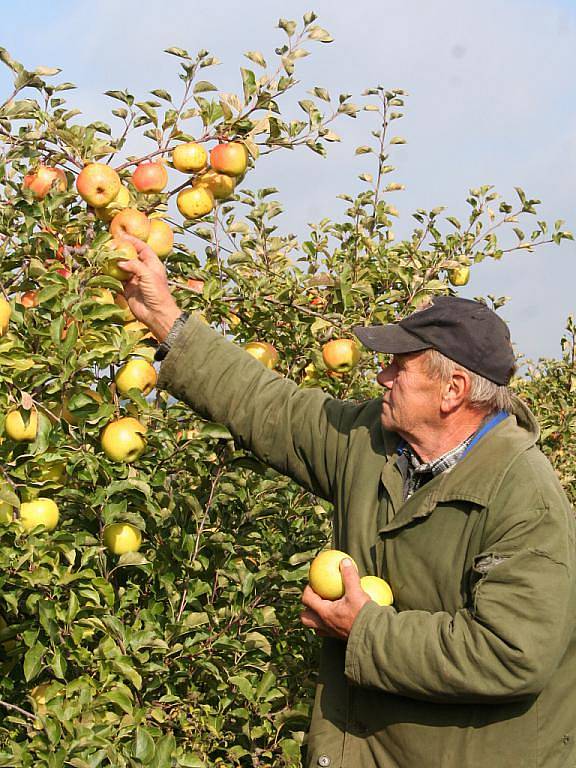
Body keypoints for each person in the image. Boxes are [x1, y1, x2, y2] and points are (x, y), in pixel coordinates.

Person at [118, 237, 576, 768]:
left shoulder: (524, 498)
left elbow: (512, 652)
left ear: (452, 390)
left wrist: (365, 630)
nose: (380, 377)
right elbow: (269, 407)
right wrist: (166, 318)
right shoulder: (372, 442)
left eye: (398, 367)